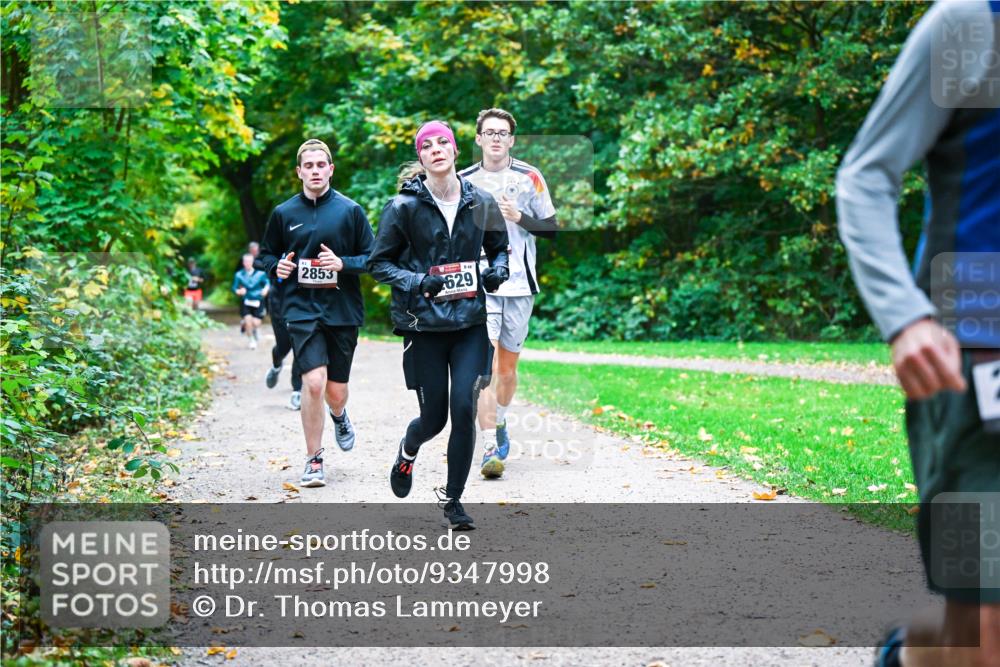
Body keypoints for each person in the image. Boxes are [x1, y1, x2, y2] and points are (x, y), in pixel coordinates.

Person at [836, 2, 999, 666]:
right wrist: (904, 317)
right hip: (974, 366)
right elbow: (866, 175)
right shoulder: (970, 26)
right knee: (984, 622)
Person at [367, 120, 509, 529]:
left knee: (463, 408)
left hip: (468, 323)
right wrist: (417, 281)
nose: (435, 149)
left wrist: (496, 271)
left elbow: (500, 250)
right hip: (423, 326)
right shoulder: (403, 207)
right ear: (421, 157)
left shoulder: (480, 201)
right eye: (426, 145)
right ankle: (408, 451)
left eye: (442, 142)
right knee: (434, 420)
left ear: (454, 150)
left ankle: (454, 502)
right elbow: (379, 264)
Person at [257, 139, 375, 488]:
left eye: (320, 165)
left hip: (342, 309)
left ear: (330, 169)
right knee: (313, 383)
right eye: (308, 166)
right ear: (299, 172)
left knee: (335, 392)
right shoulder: (283, 213)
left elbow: (373, 258)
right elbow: (266, 255)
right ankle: (313, 459)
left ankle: (339, 415)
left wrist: (343, 263)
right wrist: (276, 267)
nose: (314, 171)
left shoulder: (350, 211)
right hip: (300, 307)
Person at [458, 107, 558, 479]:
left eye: (503, 133)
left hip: (519, 284)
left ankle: (498, 421)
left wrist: (520, 218)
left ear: (511, 141)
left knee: (508, 369)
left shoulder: (530, 177)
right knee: (485, 368)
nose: (497, 138)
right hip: (479, 284)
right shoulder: (464, 179)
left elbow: (551, 230)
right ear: (479, 139)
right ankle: (488, 446)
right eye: (490, 132)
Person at [265, 278, 304, 410]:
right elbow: (264, 260)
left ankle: (297, 390)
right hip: (279, 301)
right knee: (283, 346)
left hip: (304, 301)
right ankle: (276, 366)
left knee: (299, 346)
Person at [232, 253, 269, 349]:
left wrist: (265, 290)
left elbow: (267, 283)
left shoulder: (261, 274)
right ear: (243, 263)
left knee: (256, 323)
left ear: (252, 262)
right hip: (246, 301)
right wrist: (239, 291)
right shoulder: (239, 275)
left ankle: (248, 326)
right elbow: (234, 288)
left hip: (258, 301)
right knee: (249, 321)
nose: (247, 263)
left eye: (249, 261)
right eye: (245, 261)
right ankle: (251, 340)